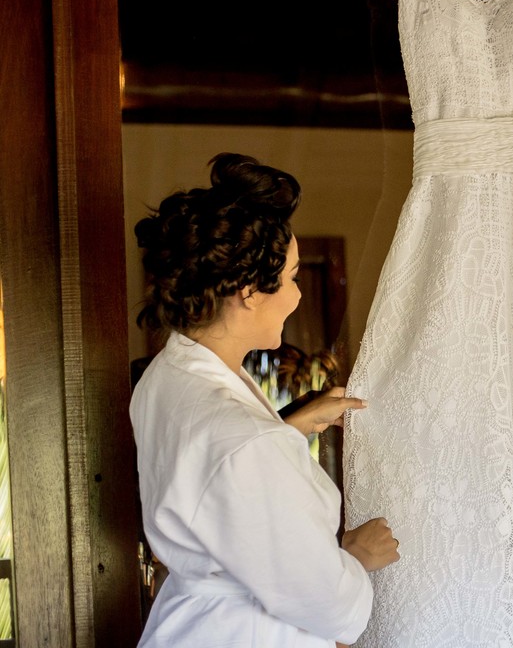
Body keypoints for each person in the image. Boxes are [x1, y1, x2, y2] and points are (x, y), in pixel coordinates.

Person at [130, 153, 400, 648]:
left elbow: (212, 478)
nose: (297, 297)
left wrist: (288, 429)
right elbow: (327, 604)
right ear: (249, 291)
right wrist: (356, 556)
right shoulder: (242, 440)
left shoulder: (168, 376)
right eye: (293, 278)